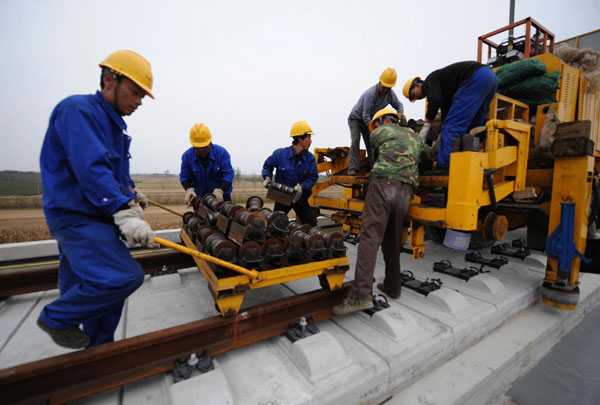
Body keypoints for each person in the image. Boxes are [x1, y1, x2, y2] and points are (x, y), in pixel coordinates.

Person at [37, 50, 156, 348]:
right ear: (108, 80)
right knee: (123, 277)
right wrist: (121, 210)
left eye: (143, 95)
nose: (139, 101)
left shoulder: (112, 124)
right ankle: (56, 318)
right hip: (78, 216)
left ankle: (96, 350)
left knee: (86, 283)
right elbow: (91, 168)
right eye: (135, 92)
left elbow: (112, 171)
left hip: (93, 216)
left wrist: (129, 192)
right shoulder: (78, 111)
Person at [333, 108, 427, 315]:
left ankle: (360, 296)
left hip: (383, 184)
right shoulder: (414, 136)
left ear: (382, 121)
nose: (373, 128)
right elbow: (427, 155)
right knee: (392, 240)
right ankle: (393, 287)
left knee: (369, 238)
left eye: (374, 124)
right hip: (407, 190)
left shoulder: (378, 133)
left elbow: (376, 159)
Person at [402, 61, 498, 168]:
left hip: (474, 78)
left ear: (417, 85)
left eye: (413, 95)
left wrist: (427, 125)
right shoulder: (443, 87)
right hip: (490, 77)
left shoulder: (430, 81)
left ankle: (444, 168)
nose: (416, 98)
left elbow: (435, 99)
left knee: (451, 129)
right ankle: (469, 164)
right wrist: (440, 136)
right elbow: (447, 114)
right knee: (472, 129)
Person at [347, 68, 405, 176]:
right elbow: (366, 116)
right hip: (356, 119)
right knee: (355, 141)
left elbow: (399, 105)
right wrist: (376, 130)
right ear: (380, 82)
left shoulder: (390, 94)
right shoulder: (371, 94)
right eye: (384, 87)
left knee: (372, 143)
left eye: (389, 88)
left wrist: (400, 114)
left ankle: (375, 168)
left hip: (369, 119)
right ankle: (353, 169)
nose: (385, 90)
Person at [262, 121, 319, 226]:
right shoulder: (280, 154)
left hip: (300, 198)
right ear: (300, 138)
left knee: (312, 226)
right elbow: (267, 166)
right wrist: (267, 177)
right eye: (309, 137)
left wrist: (302, 187)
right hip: (282, 197)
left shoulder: (310, 158)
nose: (311, 141)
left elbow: (313, 177)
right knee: (275, 226)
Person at [180, 123, 234, 205]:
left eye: (204, 146)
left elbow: (228, 175)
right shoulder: (187, 156)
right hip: (200, 198)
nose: (201, 150)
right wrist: (189, 189)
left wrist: (221, 190)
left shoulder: (222, 153)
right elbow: (185, 177)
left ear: (210, 142)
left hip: (221, 197)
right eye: (198, 147)